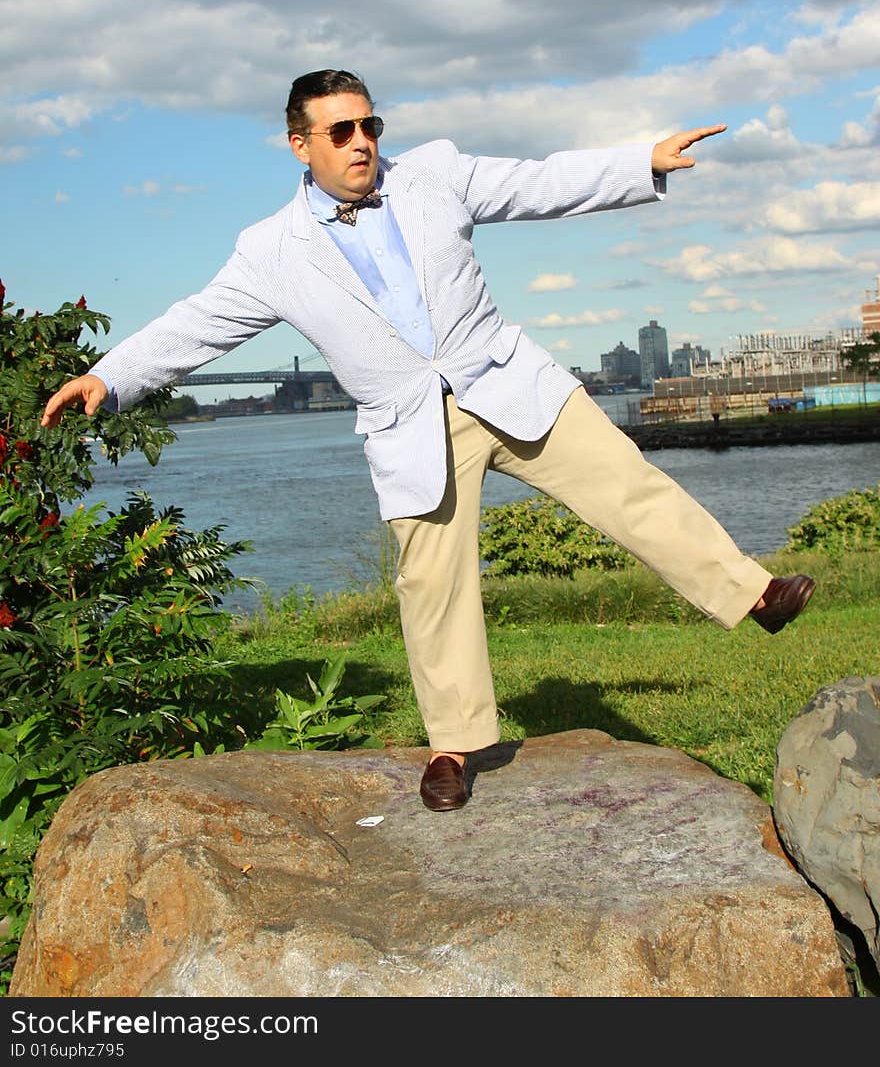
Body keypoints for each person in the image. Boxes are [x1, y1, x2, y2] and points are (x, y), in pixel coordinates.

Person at [42, 68, 815, 812]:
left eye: (370, 125)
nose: (361, 142)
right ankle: (454, 745)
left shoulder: (433, 175)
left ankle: (753, 593)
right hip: (414, 429)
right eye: (340, 130)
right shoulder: (269, 251)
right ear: (298, 144)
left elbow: (538, 182)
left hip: (508, 384)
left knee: (630, 485)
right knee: (433, 584)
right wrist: (110, 378)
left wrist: (638, 161)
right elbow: (197, 322)